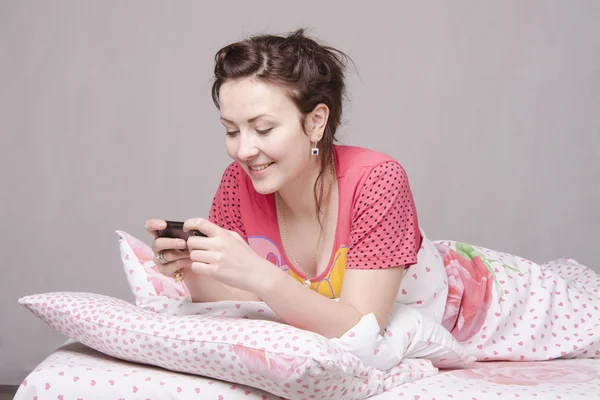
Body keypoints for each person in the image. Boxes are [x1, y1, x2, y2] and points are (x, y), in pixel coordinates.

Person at [144, 29, 448, 341]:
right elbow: (245, 303)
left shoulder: (378, 180)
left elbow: (363, 330)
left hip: (475, 309)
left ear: (316, 121)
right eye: (232, 131)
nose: (243, 151)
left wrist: (260, 274)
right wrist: (194, 271)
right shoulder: (237, 183)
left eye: (263, 129)